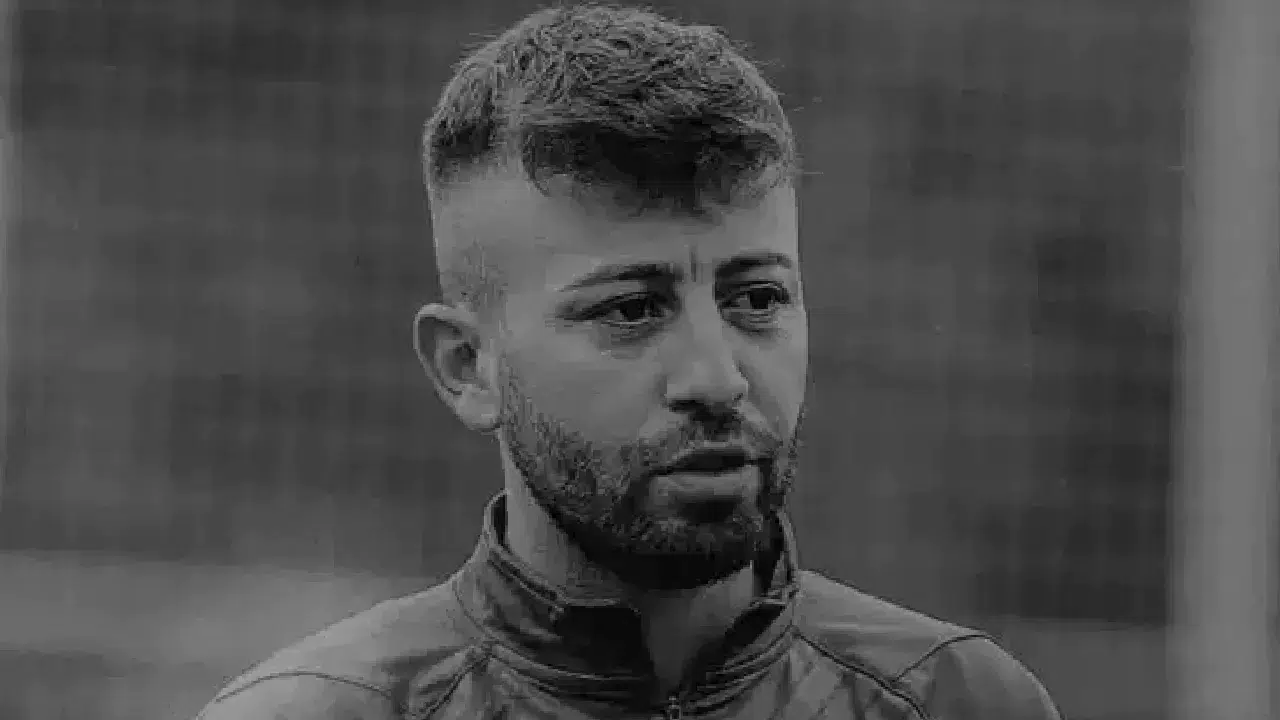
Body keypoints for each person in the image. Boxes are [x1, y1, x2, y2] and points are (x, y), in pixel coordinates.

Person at [194, 4, 1062, 718]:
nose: (716, 378)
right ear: (467, 366)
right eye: (631, 310)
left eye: (758, 298)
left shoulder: (957, 701)